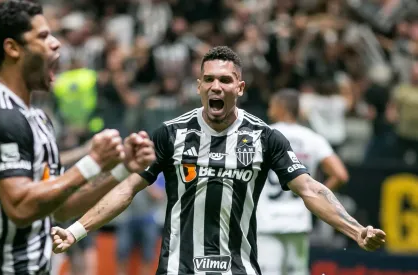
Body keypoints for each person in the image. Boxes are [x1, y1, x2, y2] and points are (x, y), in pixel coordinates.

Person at [51, 46, 386, 275]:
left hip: (238, 268)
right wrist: (75, 231)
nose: (216, 86)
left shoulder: (265, 137)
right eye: (208, 79)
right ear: (199, 86)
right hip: (178, 268)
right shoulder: (170, 134)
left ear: (239, 87)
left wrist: (356, 231)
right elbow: (126, 189)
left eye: (225, 80)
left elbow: (310, 189)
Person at [0, 1, 156, 275]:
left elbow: (60, 208)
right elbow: (21, 208)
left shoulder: (38, 118)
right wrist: (92, 162)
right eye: (43, 36)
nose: (56, 44)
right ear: (12, 48)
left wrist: (121, 168)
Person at [256, 89, 349, 275]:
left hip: (266, 222)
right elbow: (340, 175)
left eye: (271, 105)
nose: (268, 109)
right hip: (298, 220)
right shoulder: (312, 138)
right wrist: (313, 196)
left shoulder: (262, 135)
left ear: (280, 107)